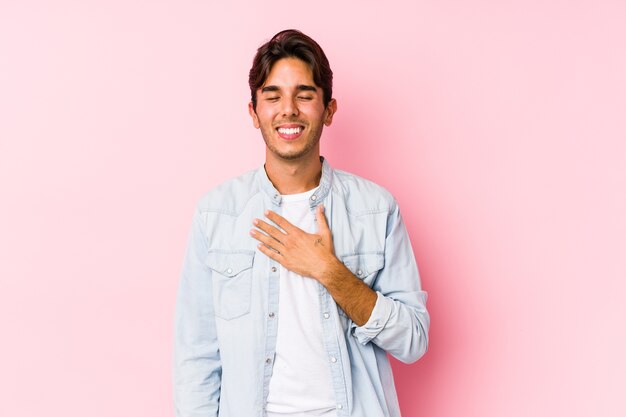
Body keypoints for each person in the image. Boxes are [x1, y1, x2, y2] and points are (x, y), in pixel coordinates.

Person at [173, 29, 429, 417]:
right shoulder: (216, 214)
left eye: (305, 95)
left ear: (328, 109)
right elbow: (196, 357)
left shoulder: (376, 209)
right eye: (272, 96)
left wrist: (330, 271)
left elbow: (413, 340)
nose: (288, 109)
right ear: (253, 112)